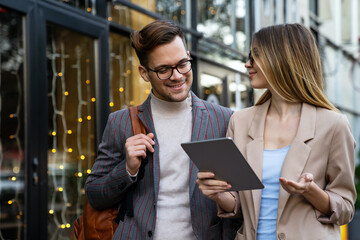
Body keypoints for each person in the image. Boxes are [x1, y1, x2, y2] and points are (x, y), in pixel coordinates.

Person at [196, 23, 356, 240]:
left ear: (280, 59)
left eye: (254, 56)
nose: (247, 64)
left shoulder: (334, 125)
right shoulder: (240, 121)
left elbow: (345, 208)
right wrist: (218, 195)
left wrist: (311, 191)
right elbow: (241, 204)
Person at [84, 19, 241, 240]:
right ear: (144, 73)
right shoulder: (120, 122)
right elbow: (94, 195)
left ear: (188, 56)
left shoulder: (224, 119)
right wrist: (127, 169)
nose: (177, 75)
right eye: (164, 70)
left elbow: (243, 199)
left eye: (182, 64)